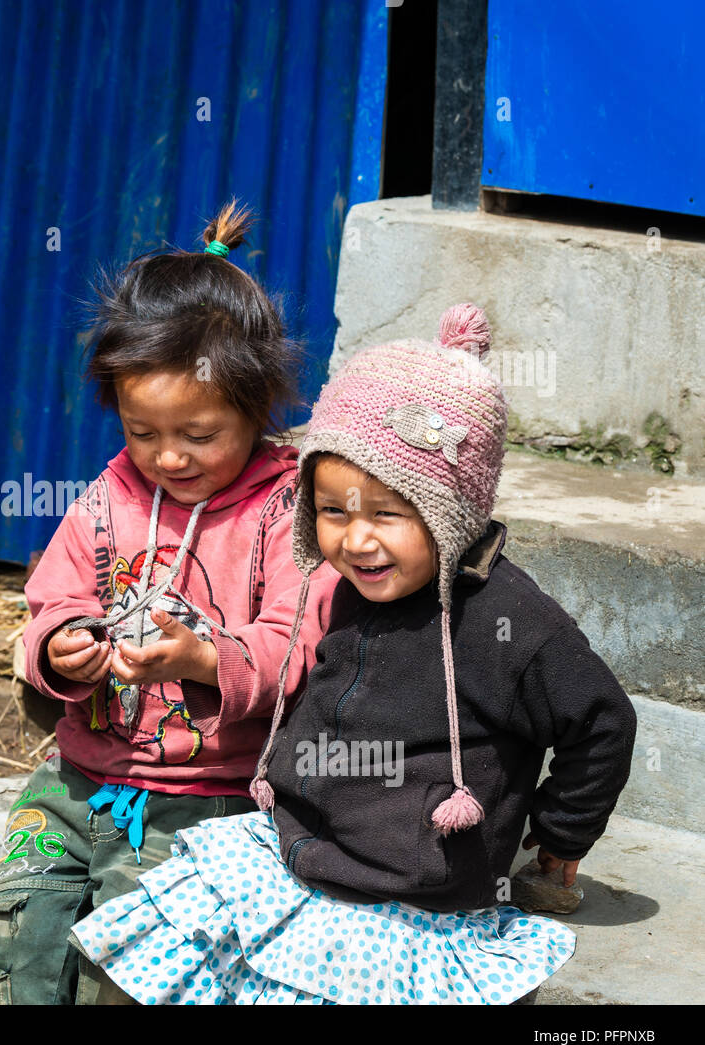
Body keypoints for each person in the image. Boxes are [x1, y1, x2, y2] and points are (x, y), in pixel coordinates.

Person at [71, 303, 638, 1004]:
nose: (356, 540)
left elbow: (605, 722)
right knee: (157, 949)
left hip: (411, 898)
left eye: (387, 514)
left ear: (452, 507)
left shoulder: (512, 625)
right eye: (333, 511)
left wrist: (560, 834)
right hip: (300, 852)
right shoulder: (350, 588)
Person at [0, 201, 339, 1004]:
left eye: (199, 435)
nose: (169, 457)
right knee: (8, 945)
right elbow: (51, 598)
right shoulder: (107, 497)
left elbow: (298, 645)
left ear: (260, 401)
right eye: (143, 431)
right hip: (74, 782)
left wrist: (205, 659)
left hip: (210, 802)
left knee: (135, 976)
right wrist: (59, 645)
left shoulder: (285, 512)